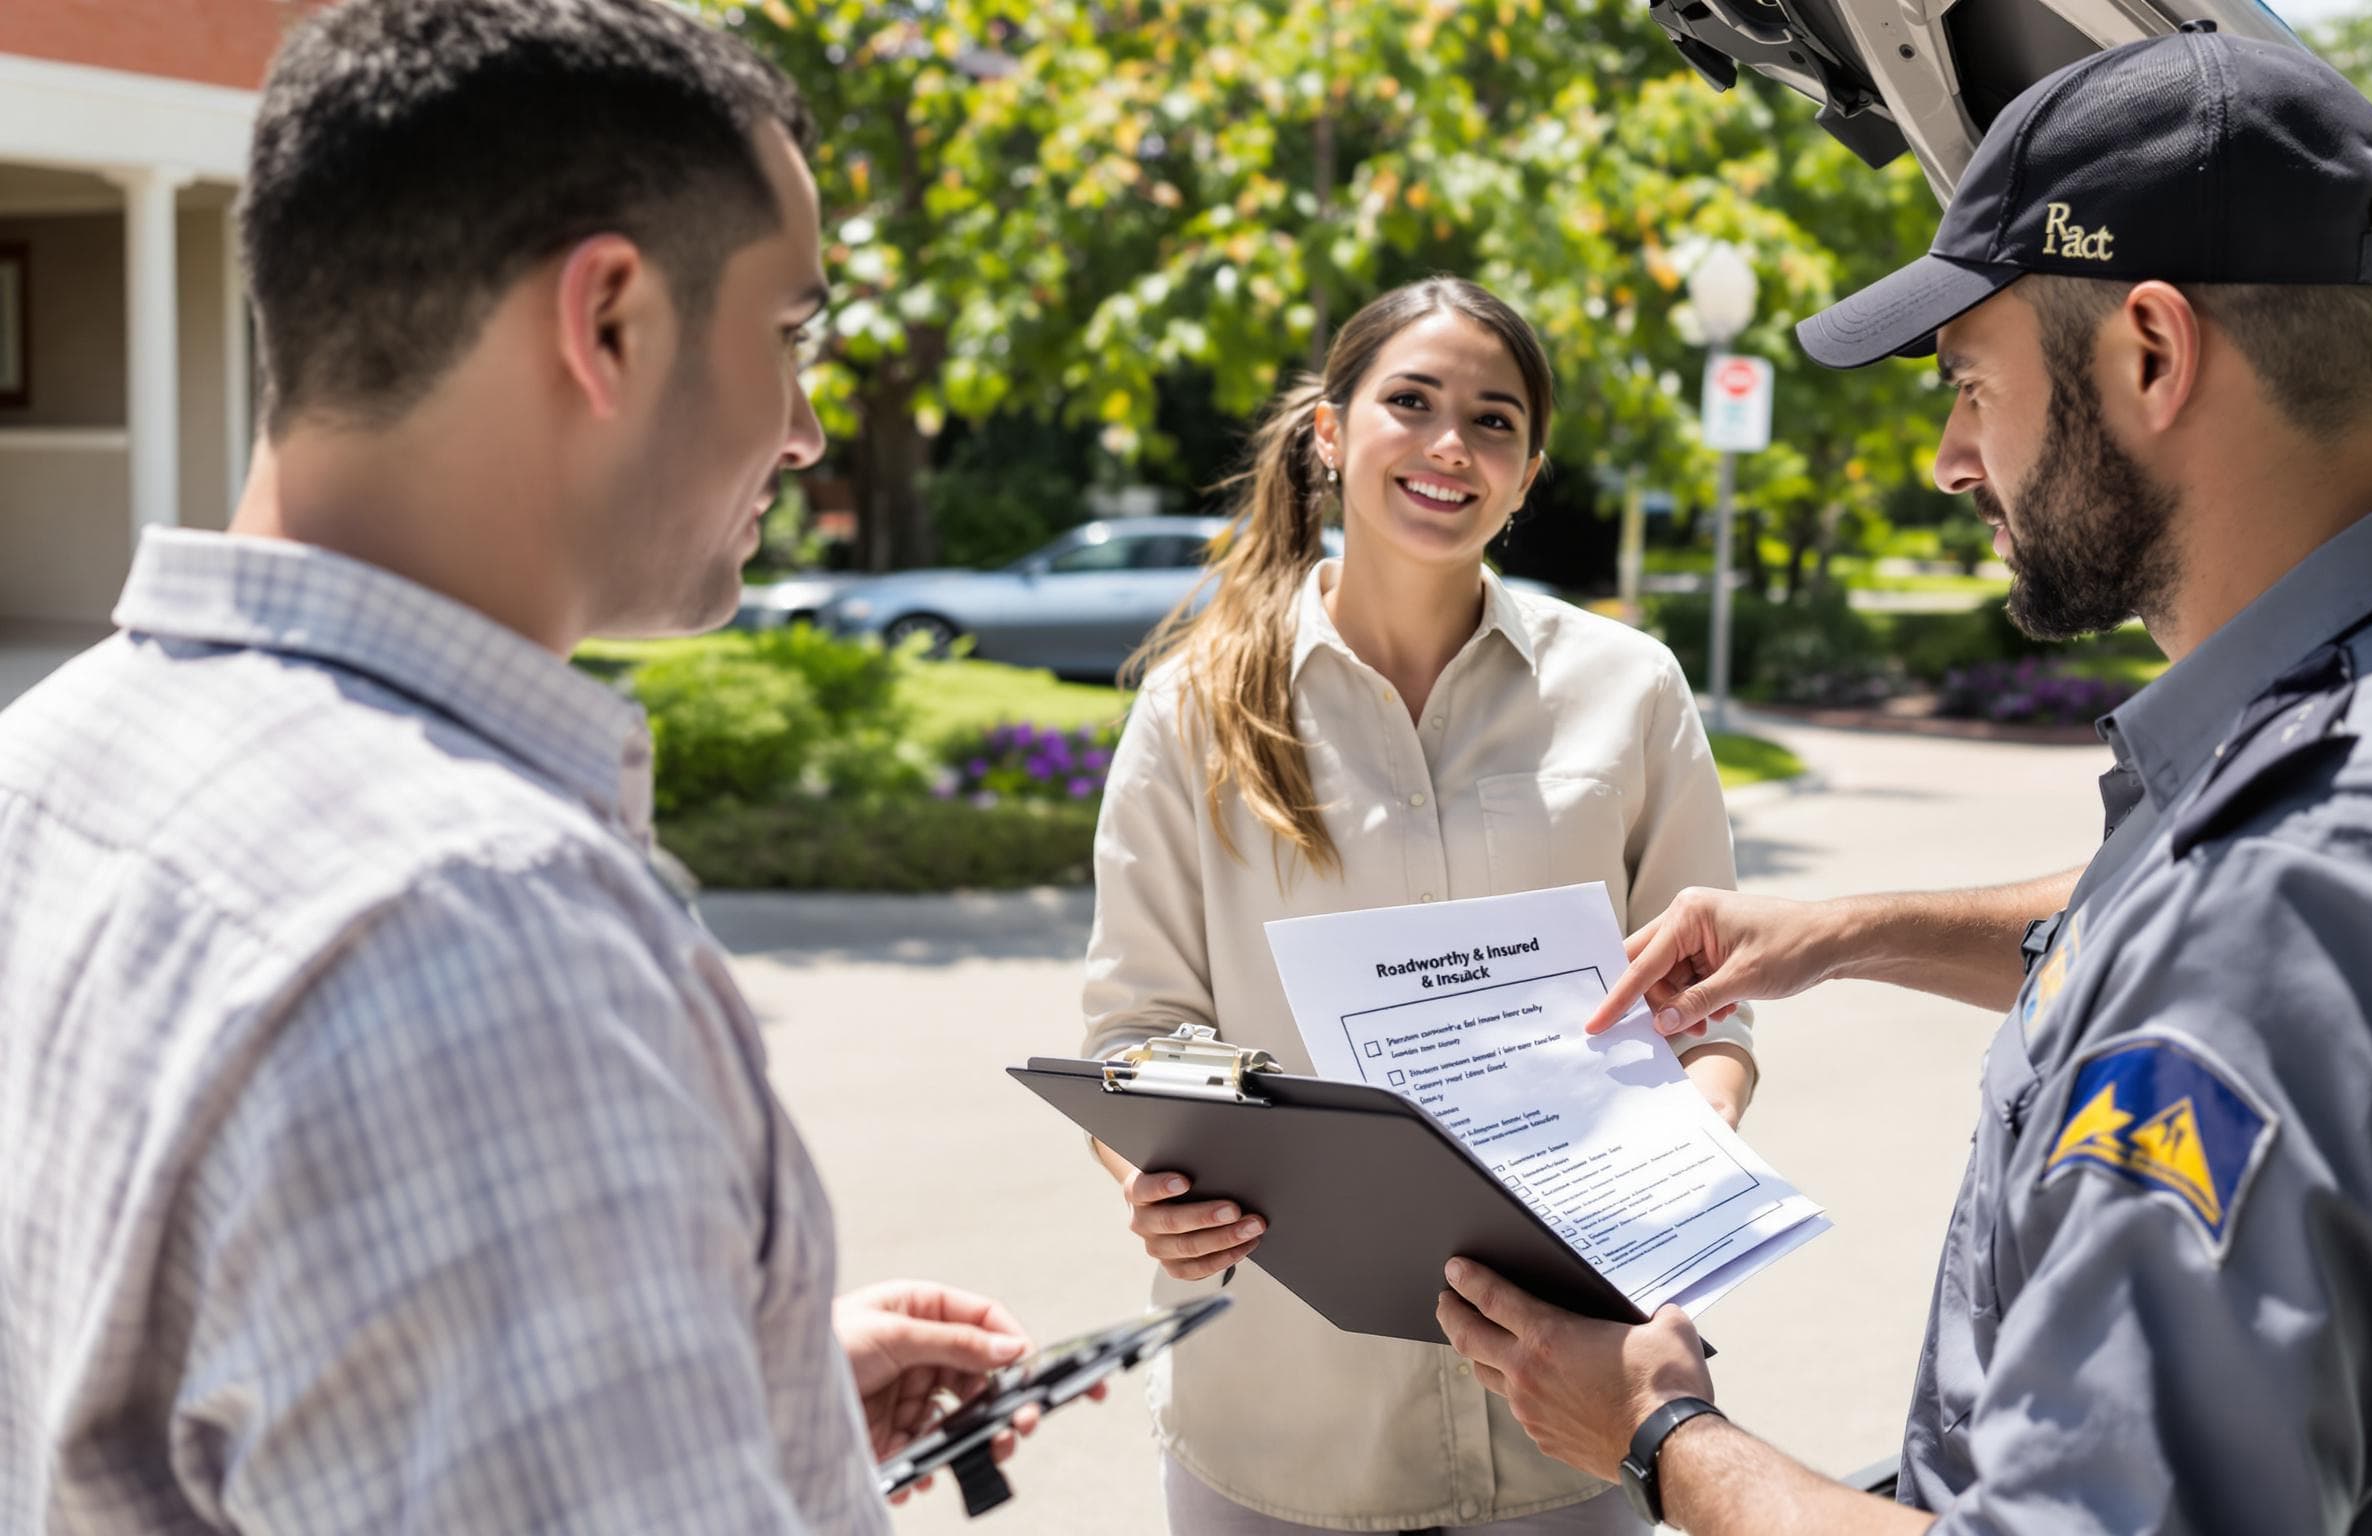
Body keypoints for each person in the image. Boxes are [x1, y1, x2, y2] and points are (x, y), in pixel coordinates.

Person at [1434, 28, 2372, 1536]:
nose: (1955, 459)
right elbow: (2152, 927)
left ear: (2151, 354)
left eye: (1973, 381)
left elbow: (2236, 953)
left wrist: (1657, 1433)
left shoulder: (2297, 899)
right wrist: (1847, 932)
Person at [0, 2, 1076, 1529]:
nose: (809, 429)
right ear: (611, 321)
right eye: (790, 337)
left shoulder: (48, 762)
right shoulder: (475, 935)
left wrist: (701, 1387)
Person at [1080, 276, 1761, 1534]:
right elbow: (1137, 1032)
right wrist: (1159, 1178)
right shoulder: (1196, 708)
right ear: (1332, 435)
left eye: (1493, 421)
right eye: (1411, 403)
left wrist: (1681, 1168)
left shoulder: (1631, 690)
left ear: (1528, 470)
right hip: (1281, 1416)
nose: (1452, 446)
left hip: (1573, 1402)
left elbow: (1707, 1020)